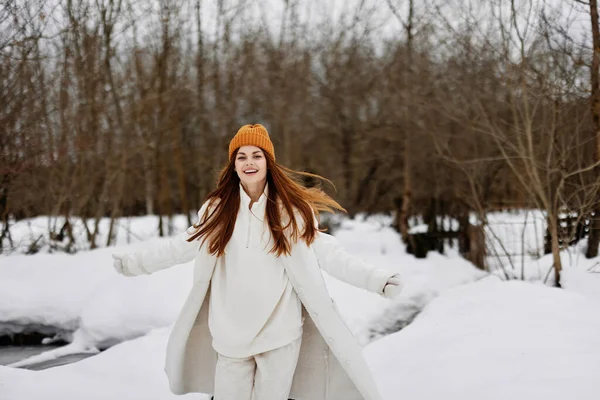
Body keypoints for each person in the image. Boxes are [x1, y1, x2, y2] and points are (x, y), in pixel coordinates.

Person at [112, 124, 403, 400]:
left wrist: (376, 279)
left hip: (280, 334)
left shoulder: (292, 211)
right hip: (230, 336)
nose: (248, 162)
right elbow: (182, 245)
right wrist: (136, 263)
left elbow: (329, 253)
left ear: (268, 162)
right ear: (233, 165)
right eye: (241, 156)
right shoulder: (218, 210)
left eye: (256, 155)